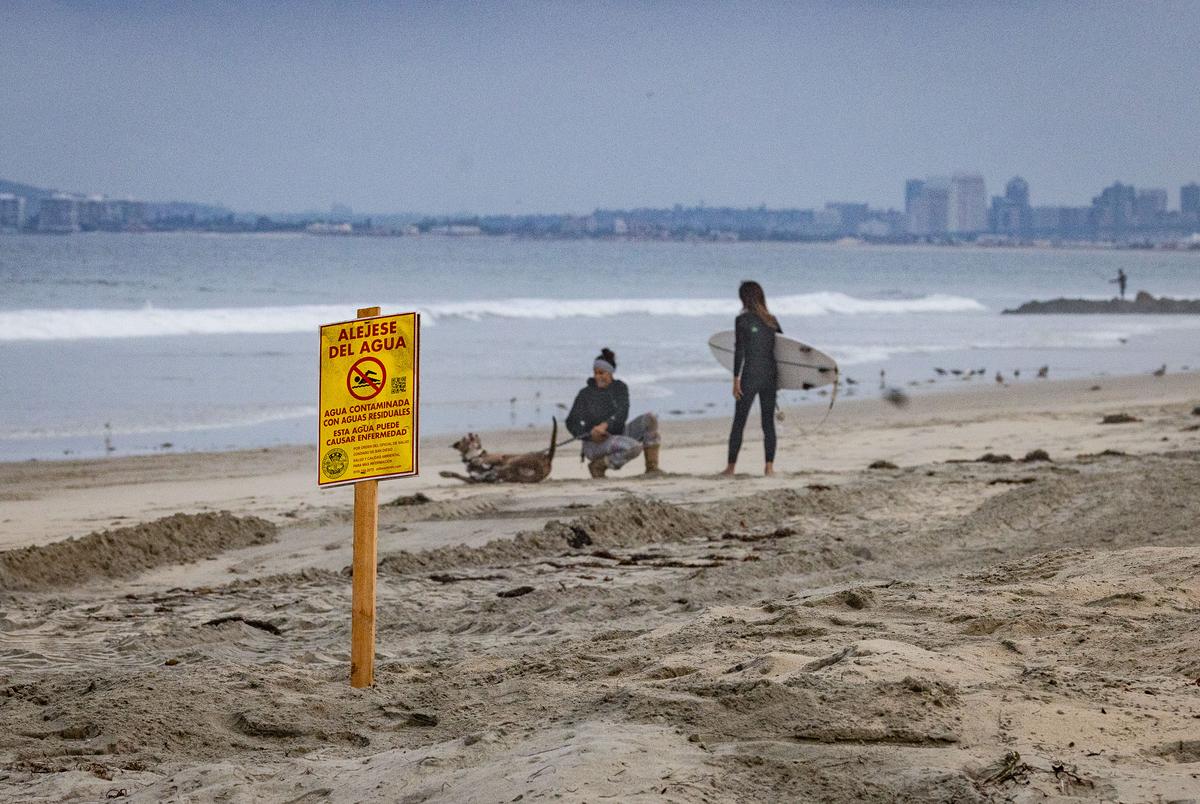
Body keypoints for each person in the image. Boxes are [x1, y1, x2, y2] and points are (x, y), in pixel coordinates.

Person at [565, 348, 661, 478]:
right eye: (595, 373)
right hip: (595, 444)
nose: (597, 377)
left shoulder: (620, 388)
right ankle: (598, 465)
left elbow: (623, 413)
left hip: (617, 434)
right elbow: (571, 422)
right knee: (634, 447)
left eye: (601, 373)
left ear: (610, 373)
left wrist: (606, 425)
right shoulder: (585, 394)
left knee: (650, 419)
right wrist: (590, 434)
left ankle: (652, 469)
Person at [721, 281, 781, 477]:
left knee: (739, 422)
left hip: (751, 376)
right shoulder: (773, 321)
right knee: (768, 423)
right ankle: (769, 467)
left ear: (743, 298)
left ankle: (730, 468)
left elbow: (740, 351)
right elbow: (782, 351)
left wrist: (736, 379)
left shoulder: (742, 320)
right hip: (771, 376)